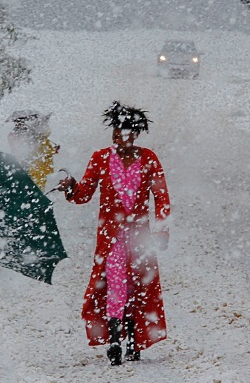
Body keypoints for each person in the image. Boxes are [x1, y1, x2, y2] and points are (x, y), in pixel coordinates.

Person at [57, 102, 171, 366]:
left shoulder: (149, 159)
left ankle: (134, 340)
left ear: (136, 135)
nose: (119, 139)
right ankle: (115, 341)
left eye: (125, 134)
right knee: (116, 287)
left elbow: (161, 197)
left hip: (140, 238)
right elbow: (84, 194)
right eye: (115, 134)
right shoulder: (100, 158)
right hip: (111, 238)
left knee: (137, 287)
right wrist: (71, 187)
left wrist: (162, 230)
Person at [7, 110, 60, 189]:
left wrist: (53, 150)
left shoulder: (34, 132)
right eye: (18, 121)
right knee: (35, 185)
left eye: (23, 120)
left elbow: (43, 149)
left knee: (40, 184)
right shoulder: (14, 135)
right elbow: (19, 151)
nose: (21, 123)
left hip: (40, 166)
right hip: (28, 166)